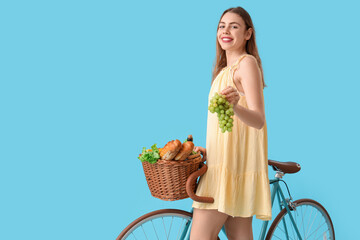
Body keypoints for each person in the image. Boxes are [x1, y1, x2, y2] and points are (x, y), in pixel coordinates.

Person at [190, 6, 272, 240]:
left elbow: (258, 120)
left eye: (234, 26)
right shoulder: (222, 71)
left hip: (230, 170)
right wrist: (210, 150)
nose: (225, 31)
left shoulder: (246, 64)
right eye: (221, 26)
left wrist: (236, 106)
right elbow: (225, 128)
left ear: (248, 33)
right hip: (226, 165)